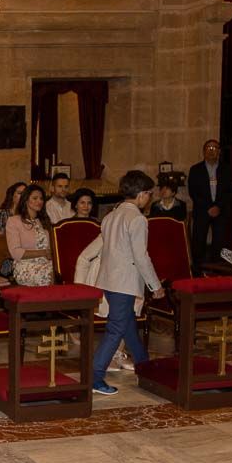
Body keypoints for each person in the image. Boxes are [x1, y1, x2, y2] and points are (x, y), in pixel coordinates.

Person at [82, 170, 164, 396]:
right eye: (149, 193)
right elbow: (141, 256)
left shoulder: (110, 216)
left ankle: (144, 366)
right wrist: (155, 285)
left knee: (127, 325)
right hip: (124, 282)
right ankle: (95, 377)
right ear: (140, 194)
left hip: (108, 280)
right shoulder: (137, 218)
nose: (149, 198)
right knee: (116, 329)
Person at [187, 139, 232, 275]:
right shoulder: (195, 169)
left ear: (219, 151)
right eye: (208, 147)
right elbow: (193, 192)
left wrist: (218, 206)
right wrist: (208, 207)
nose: (211, 150)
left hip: (221, 210)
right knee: (199, 240)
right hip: (202, 210)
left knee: (219, 241)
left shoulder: (226, 169)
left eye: (215, 148)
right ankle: (198, 270)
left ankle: (217, 269)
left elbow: (230, 191)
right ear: (203, 151)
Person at [5, 184, 54, 286]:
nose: (39, 201)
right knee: (49, 274)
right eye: (35, 198)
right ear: (26, 200)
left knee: (64, 270)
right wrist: (43, 253)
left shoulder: (44, 221)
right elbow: (15, 252)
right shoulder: (14, 221)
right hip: (25, 265)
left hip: (47, 263)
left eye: (41, 199)